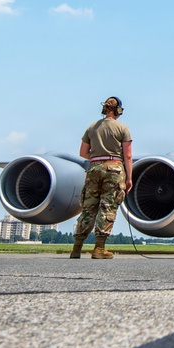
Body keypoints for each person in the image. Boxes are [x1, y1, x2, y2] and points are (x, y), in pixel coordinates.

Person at [69, 97, 133, 259]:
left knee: (88, 207)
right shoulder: (122, 128)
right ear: (118, 110)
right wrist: (129, 178)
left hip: (94, 168)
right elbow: (128, 156)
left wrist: (97, 158)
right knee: (107, 207)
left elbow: (83, 153)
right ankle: (99, 248)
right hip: (114, 168)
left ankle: (76, 248)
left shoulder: (92, 127)